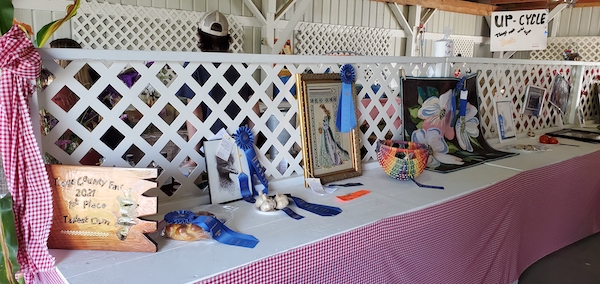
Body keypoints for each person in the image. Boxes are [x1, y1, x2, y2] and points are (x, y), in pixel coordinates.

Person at [176, 10, 258, 167]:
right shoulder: (240, 65)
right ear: (227, 39)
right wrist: (252, 149)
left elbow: (195, 113)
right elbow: (254, 112)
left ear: (199, 35)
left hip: (209, 148)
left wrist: (194, 157)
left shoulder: (194, 65)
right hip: (240, 147)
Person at [317, 104, 349, 168]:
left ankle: (335, 160)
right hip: (325, 132)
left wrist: (321, 125)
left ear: (322, 108)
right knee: (328, 145)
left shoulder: (325, 115)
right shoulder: (324, 114)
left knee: (329, 144)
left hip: (326, 132)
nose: (320, 110)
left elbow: (326, 125)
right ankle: (334, 159)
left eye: (320, 109)